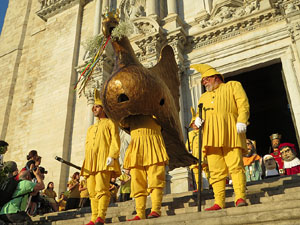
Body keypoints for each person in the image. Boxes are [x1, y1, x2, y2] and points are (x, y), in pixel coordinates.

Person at [191, 64, 250, 211]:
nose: (204, 82)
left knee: (235, 165)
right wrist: (196, 121)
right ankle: (219, 201)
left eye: (206, 79)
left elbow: (243, 105)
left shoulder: (233, 86)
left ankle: (240, 197)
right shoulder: (203, 97)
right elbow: (199, 115)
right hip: (210, 135)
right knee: (216, 170)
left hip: (230, 130)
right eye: (203, 80)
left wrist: (242, 119)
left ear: (215, 77)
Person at [81, 89, 121, 225]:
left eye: (97, 106)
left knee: (102, 189)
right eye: (93, 107)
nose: (94, 109)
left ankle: (101, 217)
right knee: (92, 192)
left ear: (103, 109)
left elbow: (115, 141)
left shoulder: (110, 123)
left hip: (104, 160)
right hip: (90, 163)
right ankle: (94, 217)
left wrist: (112, 156)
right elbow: (87, 146)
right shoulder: (91, 128)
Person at [122, 114, 169, 221]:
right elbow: (122, 122)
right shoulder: (130, 116)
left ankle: (156, 209)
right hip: (136, 147)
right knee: (137, 182)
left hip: (153, 142)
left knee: (155, 179)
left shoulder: (154, 111)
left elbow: (165, 116)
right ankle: (140, 213)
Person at [185, 107, 210, 192]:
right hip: (194, 155)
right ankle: (199, 187)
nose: (194, 125)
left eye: (195, 123)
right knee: (196, 172)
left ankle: (211, 184)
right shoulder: (190, 134)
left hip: (203, 153)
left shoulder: (203, 132)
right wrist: (188, 151)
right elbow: (188, 145)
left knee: (206, 170)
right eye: (193, 124)